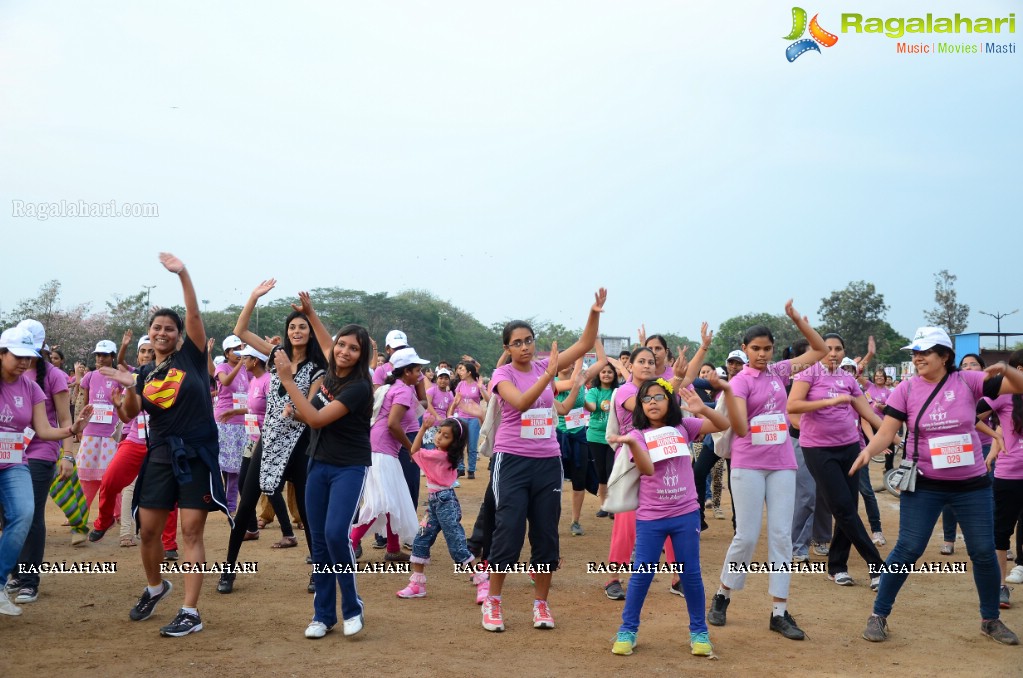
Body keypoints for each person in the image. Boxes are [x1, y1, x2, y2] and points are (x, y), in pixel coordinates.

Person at [851, 327, 1023, 646]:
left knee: (984, 552)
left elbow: (1020, 385)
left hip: (971, 485)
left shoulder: (968, 381)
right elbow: (887, 432)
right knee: (907, 549)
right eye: (914, 352)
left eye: (925, 352)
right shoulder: (906, 389)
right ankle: (878, 615)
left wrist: (1007, 369)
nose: (917, 357)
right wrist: (867, 451)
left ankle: (990, 619)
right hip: (925, 484)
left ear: (944, 356)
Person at [101, 252, 232, 637]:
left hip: (196, 454)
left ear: (178, 335)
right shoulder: (142, 373)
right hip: (159, 454)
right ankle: (156, 587)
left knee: (191, 531)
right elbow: (129, 415)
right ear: (149, 333)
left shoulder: (191, 357)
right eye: (156, 328)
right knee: (148, 531)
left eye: (169, 328)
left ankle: (190, 611)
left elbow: (193, 315)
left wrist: (183, 274)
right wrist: (127, 390)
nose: (162, 333)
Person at [481, 288, 606, 633]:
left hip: (548, 462)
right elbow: (520, 403)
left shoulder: (543, 366)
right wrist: (548, 376)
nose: (525, 346)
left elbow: (583, 344)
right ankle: (493, 602)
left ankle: (541, 604)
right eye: (517, 342)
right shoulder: (502, 376)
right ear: (507, 348)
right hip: (513, 462)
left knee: (547, 534)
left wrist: (593, 312)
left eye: (529, 340)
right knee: (508, 531)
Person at [708, 300, 826, 641]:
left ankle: (779, 610)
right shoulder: (741, 382)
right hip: (748, 464)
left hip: (782, 464)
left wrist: (797, 321)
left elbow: (817, 349)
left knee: (781, 537)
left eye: (768, 349)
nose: (762, 354)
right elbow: (742, 430)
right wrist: (731, 396)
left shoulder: (779, 373)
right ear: (745, 350)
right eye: (756, 349)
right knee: (746, 535)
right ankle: (723, 593)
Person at [606, 377, 732, 657]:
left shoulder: (684, 426)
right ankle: (628, 629)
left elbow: (723, 426)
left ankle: (699, 633)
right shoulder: (637, 435)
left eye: (658, 397)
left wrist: (703, 408)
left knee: (691, 574)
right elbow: (647, 469)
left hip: (686, 514)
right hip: (651, 517)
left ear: (670, 401)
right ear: (640, 405)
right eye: (646, 398)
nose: (652, 402)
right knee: (641, 575)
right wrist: (631, 443)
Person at [271, 311, 373, 639]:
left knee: (333, 534)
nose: (344, 351)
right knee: (318, 541)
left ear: (362, 356)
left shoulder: (358, 387)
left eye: (353, 349)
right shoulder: (330, 370)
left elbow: (316, 418)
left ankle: (352, 607)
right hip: (318, 462)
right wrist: (311, 312)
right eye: (341, 345)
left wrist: (288, 380)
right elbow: (311, 417)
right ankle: (323, 615)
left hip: (349, 467)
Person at [220, 282, 327, 594]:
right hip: (268, 442)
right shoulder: (276, 354)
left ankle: (318, 572)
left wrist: (294, 410)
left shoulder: (318, 368)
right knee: (245, 507)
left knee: (308, 513)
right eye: (292, 326)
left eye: (302, 327)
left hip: (301, 445)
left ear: (309, 333)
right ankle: (228, 570)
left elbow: (310, 410)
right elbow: (240, 330)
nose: (296, 331)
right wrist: (253, 297)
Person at [0, 326, 91, 616]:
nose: (25, 362)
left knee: (27, 513)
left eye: (29, 356)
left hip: (18, 462)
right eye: (18, 356)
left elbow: (43, 429)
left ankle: (13, 581)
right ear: (2, 354)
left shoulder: (33, 387)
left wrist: (71, 432)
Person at [787, 335, 885, 589]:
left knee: (848, 507)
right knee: (842, 508)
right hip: (818, 450)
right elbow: (793, 405)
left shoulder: (848, 378)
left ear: (844, 352)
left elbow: (868, 412)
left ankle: (837, 566)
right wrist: (829, 401)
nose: (833, 353)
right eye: (828, 348)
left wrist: (893, 435)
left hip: (849, 447)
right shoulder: (808, 374)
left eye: (838, 349)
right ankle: (877, 566)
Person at [89, 334, 180, 559]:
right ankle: (104, 520)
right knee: (109, 481)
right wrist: (117, 405)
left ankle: (169, 543)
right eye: (143, 351)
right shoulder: (132, 377)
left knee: (170, 496)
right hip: (135, 441)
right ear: (137, 354)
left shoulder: (173, 375)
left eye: (151, 351)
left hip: (163, 443)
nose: (147, 355)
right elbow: (127, 416)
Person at [349, 347, 427, 559]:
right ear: (407, 371)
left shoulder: (396, 387)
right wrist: (411, 448)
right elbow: (393, 424)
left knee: (390, 498)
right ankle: (351, 543)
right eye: (418, 370)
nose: (420, 375)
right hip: (382, 449)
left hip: (381, 447)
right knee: (381, 501)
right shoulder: (402, 391)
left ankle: (392, 548)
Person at [397, 417, 484, 600]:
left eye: (445, 436)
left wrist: (422, 428)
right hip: (435, 502)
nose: (439, 438)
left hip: (445, 503)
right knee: (421, 539)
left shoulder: (438, 455)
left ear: (454, 442)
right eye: (439, 433)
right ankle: (417, 584)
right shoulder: (445, 454)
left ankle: (481, 580)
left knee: (457, 545)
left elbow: (413, 451)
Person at [975, 349, 1023, 609]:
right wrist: (996, 436)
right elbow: (971, 417)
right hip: (1010, 475)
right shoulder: (1004, 396)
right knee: (1002, 531)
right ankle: (1001, 586)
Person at [939, 353, 998, 555]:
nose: (969, 367)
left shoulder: (990, 393)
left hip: (984, 447)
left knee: (987, 494)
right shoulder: (954, 389)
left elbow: (972, 416)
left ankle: (994, 540)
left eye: (974, 364)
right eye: (965, 364)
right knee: (949, 493)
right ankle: (949, 539)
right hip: (955, 446)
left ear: (983, 369)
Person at [76, 339, 123, 508]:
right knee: (86, 474)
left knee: (110, 475)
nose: (100, 359)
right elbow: (85, 402)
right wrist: (80, 425)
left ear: (112, 357)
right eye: (98, 355)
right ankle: (81, 511)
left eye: (104, 355)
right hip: (90, 431)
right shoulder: (89, 377)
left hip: (111, 434)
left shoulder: (119, 377)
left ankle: (116, 513)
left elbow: (123, 403)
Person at [212, 335, 249, 513]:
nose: (238, 353)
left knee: (238, 466)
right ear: (227, 353)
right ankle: (224, 501)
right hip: (226, 421)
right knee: (227, 465)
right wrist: (240, 365)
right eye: (234, 349)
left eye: (241, 348)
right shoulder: (223, 367)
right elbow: (225, 381)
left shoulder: (246, 369)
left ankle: (231, 504)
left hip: (243, 421)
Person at [586, 361, 618, 517]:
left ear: (614, 375)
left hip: (614, 437)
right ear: (599, 375)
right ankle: (604, 505)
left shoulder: (618, 391)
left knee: (612, 470)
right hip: (595, 437)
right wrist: (584, 402)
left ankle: (613, 505)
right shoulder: (594, 392)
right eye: (603, 372)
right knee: (601, 473)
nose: (606, 374)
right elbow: (591, 407)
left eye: (610, 372)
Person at [449, 360, 490, 480]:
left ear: (469, 372)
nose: (460, 372)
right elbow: (456, 401)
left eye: (462, 370)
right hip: (461, 417)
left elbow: (488, 399)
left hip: (474, 419)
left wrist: (481, 388)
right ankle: (460, 468)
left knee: (472, 445)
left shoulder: (478, 384)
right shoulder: (461, 384)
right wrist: (451, 413)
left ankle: (471, 469)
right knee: (460, 444)